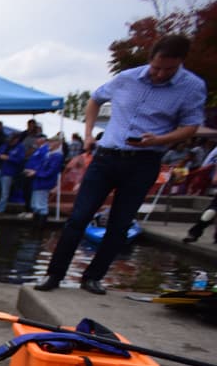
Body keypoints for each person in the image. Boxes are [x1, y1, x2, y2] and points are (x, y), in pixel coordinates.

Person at [36, 35, 207, 294]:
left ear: (180, 63)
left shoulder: (192, 87)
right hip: (107, 156)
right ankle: (54, 274)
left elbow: (190, 126)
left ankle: (93, 277)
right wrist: (89, 133)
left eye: (168, 70)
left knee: (120, 223)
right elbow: (95, 99)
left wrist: (159, 139)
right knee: (78, 218)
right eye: (156, 67)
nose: (160, 74)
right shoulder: (126, 78)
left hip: (145, 160)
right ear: (150, 59)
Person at [0, 131, 27, 214]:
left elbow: (20, 160)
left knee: (4, 192)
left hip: (8, 171)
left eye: (12, 140)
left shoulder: (20, 148)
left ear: (17, 139)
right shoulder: (4, 146)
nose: (10, 141)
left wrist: (8, 158)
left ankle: (0, 211)